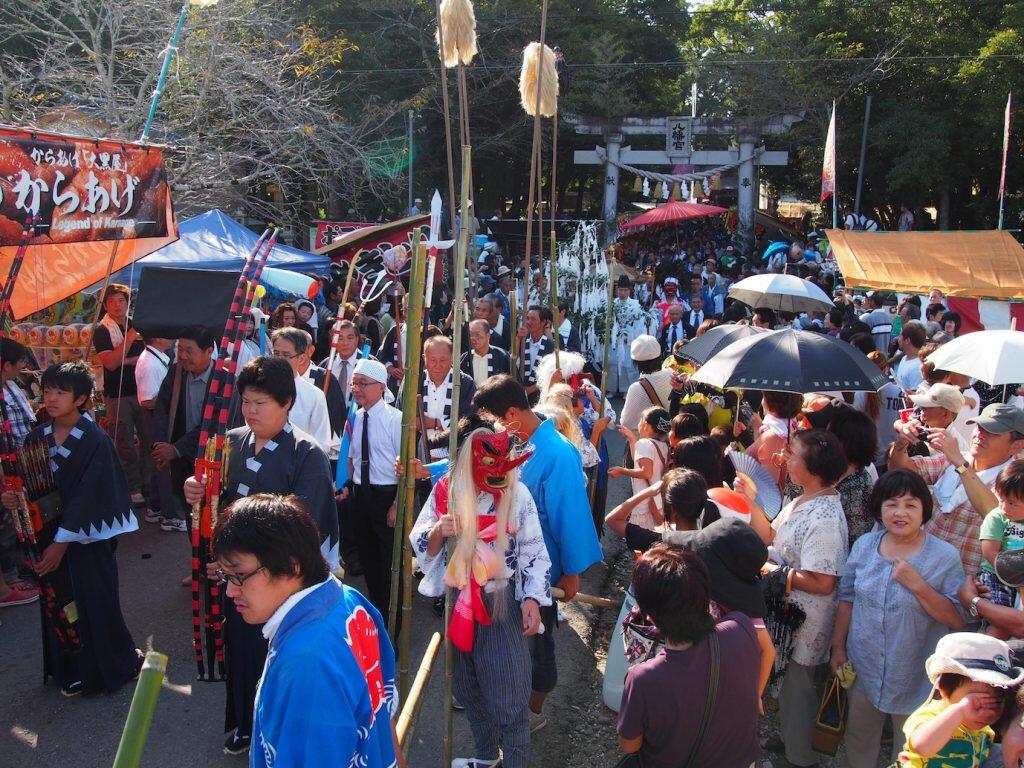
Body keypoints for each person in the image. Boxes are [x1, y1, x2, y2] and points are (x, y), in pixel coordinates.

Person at [183, 355, 339, 756]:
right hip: (234, 579)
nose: (251, 411)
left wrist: (244, 565)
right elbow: (212, 502)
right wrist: (196, 491)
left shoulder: (306, 454)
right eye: (247, 401)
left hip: (279, 583)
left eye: (261, 402)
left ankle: (280, 734)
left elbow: (305, 528)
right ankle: (244, 723)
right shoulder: (231, 442)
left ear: (286, 403)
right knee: (240, 650)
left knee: (280, 659)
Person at [212, 494, 401, 768]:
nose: (230, 590)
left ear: (292, 567)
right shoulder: (350, 600)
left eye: (238, 575)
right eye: (224, 575)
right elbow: (384, 706)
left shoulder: (306, 663)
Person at [410, 426, 549, 768]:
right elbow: (420, 541)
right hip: (458, 601)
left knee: (510, 695)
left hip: (501, 602)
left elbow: (533, 549)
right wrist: (438, 531)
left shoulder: (517, 494)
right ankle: (486, 757)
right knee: (468, 688)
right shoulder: (447, 489)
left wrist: (532, 599)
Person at [2, 361, 141, 696]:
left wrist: (62, 542)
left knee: (95, 602)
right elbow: (30, 485)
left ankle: (111, 667)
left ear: (80, 399)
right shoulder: (37, 437)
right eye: (48, 390)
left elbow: (90, 495)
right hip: (47, 535)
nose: (51, 398)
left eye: (61, 392)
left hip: (87, 538)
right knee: (59, 604)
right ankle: (70, 669)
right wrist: (15, 498)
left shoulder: (95, 440)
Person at [472, 375, 602, 732]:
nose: (496, 427)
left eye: (497, 419)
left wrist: (572, 572)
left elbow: (569, 516)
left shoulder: (558, 452)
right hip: (504, 562)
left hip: (539, 568)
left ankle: (532, 711)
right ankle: (506, 697)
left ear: (512, 413)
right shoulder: (517, 439)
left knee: (538, 644)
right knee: (507, 639)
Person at [830, 470, 965, 768]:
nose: (900, 513)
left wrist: (919, 586)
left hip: (916, 674)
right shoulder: (865, 545)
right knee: (859, 736)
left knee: (911, 747)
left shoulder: (944, 556)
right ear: (879, 509)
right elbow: (847, 598)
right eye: (891, 504)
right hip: (864, 665)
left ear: (924, 510)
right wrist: (838, 646)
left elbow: (957, 619)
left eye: (910, 504)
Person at [749, 429, 849, 768]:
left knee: (799, 687)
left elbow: (823, 582)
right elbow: (771, 534)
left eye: (792, 454)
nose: (785, 459)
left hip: (804, 621)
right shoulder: (804, 498)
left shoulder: (826, 518)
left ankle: (800, 758)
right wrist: (749, 501)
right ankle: (790, 740)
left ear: (813, 466)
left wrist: (774, 571)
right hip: (788, 613)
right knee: (788, 684)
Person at [616, 545, 761, 768]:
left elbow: (630, 746)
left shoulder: (643, 679)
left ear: (649, 616)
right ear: (706, 595)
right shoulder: (741, 627)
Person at [890, 403, 1024, 577]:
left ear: (1016, 445)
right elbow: (901, 472)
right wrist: (903, 441)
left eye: (992, 432)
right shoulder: (953, 459)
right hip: (919, 570)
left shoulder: (1015, 480)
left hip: (965, 583)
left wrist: (959, 462)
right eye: (979, 427)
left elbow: (993, 512)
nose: (980, 434)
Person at [896, 633, 1022, 767]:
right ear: (942, 688)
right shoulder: (930, 716)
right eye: (977, 703)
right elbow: (922, 747)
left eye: (996, 703)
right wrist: (960, 709)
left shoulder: (984, 732)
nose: (987, 713)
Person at [341, 358, 403, 623]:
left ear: (381, 387)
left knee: (389, 562)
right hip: (360, 495)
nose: (357, 388)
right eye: (354, 383)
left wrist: (397, 503)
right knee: (368, 558)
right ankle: (376, 613)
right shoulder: (355, 417)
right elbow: (353, 458)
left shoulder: (396, 419)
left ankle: (393, 620)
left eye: (363, 383)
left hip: (386, 496)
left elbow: (405, 466)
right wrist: (347, 485)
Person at [92, 283, 147, 507]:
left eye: (121, 300)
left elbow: (149, 354)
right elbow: (112, 363)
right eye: (112, 301)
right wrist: (130, 339)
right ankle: (132, 487)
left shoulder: (136, 324)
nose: (117, 305)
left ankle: (149, 484)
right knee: (124, 442)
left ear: (127, 303)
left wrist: (129, 359)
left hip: (143, 390)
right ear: (105, 305)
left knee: (149, 439)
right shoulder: (102, 331)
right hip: (118, 395)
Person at [0, 338, 39, 607]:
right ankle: (9, 580)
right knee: (6, 521)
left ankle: (19, 565)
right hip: (6, 466)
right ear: (6, 365)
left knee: (17, 518)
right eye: (19, 363)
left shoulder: (11, 386)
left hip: (20, 460)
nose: (22, 367)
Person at [409, 335, 476, 461]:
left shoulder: (465, 383)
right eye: (433, 360)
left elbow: (470, 420)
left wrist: (437, 423)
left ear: (452, 359)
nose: (437, 365)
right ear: (424, 358)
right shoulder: (414, 381)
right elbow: (405, 416)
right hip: (420, 451)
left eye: (443, 360)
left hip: (456, 452)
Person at [135, 335, 177, 531]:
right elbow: (146, 401)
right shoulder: (150, 363)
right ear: (158, 338)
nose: (172, 338)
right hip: (155, 418)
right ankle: (170, 515)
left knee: (160, 464)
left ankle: (156, 507)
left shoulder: (156, 357)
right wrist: (171, 395)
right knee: (164, 464)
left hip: (159, 417)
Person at [270, 328, 333, 455]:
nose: (279, 359)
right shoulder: (259, 388)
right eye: (276, 353)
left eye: (286, 355)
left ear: (301, 359)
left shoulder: (314, 395)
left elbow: (322, 444)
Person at [609, 407, 670, 531]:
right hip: (657, 503)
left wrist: (621, 471)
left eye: (640, 420)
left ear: (646, 426)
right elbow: (639, 462)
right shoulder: (663, 445)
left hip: (644, 505)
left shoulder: (645, 444)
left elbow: (646, 472)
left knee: (641, 538)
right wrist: (632, 439)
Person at [977, 459, 1024, 615]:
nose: (1004, 507)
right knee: (1001, 617)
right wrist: (1017, 579)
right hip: (996, 575)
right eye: (1001, 499)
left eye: (1012, 503)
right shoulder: (997, 518)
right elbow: (990, 552)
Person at [748, 390, 804, 492]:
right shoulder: (788, 424)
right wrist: (757, 428)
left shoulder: (775, 436)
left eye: (764, 397)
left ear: (769, 401)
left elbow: (768, 486)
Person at [620, 335, 673, 434]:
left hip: (645, 439)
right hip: (669, 436)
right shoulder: (672, 374)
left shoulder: (636, 388)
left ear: (636, 362)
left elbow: (626, 422)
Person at [609, 276, 646, 397]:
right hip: (615, 339)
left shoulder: (635, 305)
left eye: (625, 290)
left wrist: (631, 337)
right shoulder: (612, 304)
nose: (622, 293)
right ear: (617, 290)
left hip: (628, 339)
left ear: (629, 291)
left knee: (628, 365)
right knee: (613, 363)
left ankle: (627, 390)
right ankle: (611, 389)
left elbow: (639, 325)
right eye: (620, 290)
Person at [517, 306, 555, 402]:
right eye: (527, 318)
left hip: (541, 395)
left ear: (543, 322)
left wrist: (530, 390)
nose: (529, 322)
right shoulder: (522, 341)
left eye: (533, 319)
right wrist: (518, 338)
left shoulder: (550, 345)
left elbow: (551, 374)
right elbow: (511, 360)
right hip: (520, 393)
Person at [461, 319, 511, 387]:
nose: (473, 338)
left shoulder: (502, 356)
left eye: (477, 334)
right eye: (470, 334)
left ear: (488, 336)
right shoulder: (465, 358)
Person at [895, 323, 928, 393]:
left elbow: (915, 396)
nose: (898, 339)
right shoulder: (904, 358)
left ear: (907, 340)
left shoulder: (917, 367)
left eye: (900, 336)